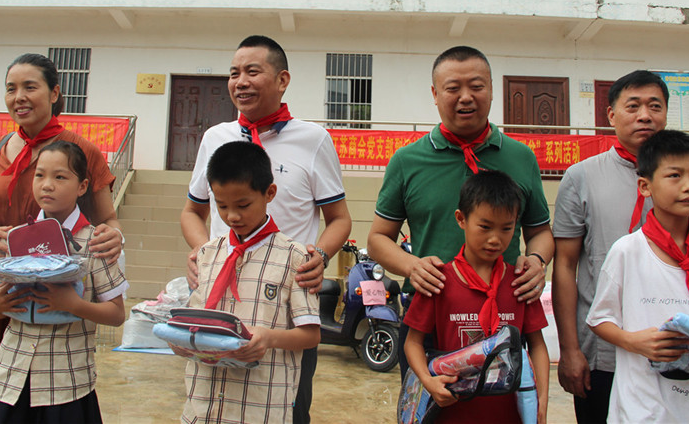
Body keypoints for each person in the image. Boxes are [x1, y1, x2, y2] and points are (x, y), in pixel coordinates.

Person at [180, 35, 351, 423]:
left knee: (287, 404)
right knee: (214, 394)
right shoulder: (215, 138)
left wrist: (320, 256)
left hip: (287, 301)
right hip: (225, 295)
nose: (240, 82)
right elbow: (192, 211)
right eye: (234, 73)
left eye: (252, 71)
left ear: (282, 80)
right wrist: (203, 253)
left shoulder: (313, 140)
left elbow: (340, 218)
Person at [0, 53, 124, 424]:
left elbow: (108, 218)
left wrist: (114, 236)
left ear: (55, 93)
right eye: (11, 89)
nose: (19, 97)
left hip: (53, 284)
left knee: (47, 390)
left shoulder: (82, 151)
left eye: (30, 87)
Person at [366, 46, 554, 378]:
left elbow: (539, 232)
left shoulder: (521, 157)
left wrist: (537, 261)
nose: (466, 97)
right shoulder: (407, 161)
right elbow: (379, 239)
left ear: (491, 90)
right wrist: (412, 266)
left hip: (504, 316)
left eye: (476, 86)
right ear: (435, 94)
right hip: (430, 317)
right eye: (453, 88)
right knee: (431, 402)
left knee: (499, 404)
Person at [552, 70, 689, 424]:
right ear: (611, 115)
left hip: (680, 351)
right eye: (633, 106)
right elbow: (564, 266)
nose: (645, 116)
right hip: (602, 354)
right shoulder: (582, 176)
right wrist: (570, 350)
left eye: (655, 106)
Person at [0, 141, 127, 423]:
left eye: (60, 177)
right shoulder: (17, 238)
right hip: (10, 377)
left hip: (65, 382)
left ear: (82, 186)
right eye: (40, 175)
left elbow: (117, 315)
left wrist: (73, 305)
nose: (47, 185)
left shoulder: (97, 242)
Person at [586, 130, 689, 423]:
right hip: (645, 409)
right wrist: (633, 341)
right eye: (675, 175)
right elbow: (599, 318)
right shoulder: (628, 251)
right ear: (645, 186)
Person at [183, 141, 321, 423]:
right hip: (203, 407)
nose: (232, 216)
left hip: (260, 407)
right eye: (221, 206)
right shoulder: (207, 255)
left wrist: (269, 338)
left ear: (269, 193)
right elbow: (194, 322)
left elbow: (310, 335)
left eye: (243, 205)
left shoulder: (295, 258)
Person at [403, 170, 550, 423]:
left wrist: (541, 401)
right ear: (461, 219)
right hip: (451, 414)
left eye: (506, 228)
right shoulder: (438, 281)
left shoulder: (520, 283)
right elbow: (412, 343)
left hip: (509, 415)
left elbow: (537, 346)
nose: (495, 239)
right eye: (485, 227)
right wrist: (428, 382)